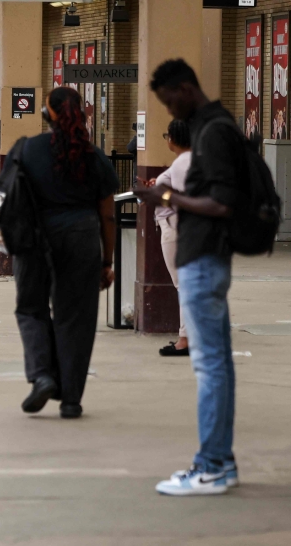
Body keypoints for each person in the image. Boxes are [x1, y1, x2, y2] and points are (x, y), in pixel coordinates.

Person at [136, 59, 241, 496]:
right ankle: (221, 461)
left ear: (183, 88)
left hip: (202, 256)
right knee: (216, 361)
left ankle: (212, 465)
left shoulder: (212, 133)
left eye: (168, 101)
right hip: (206, 255)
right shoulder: (215, 127)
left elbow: (221, 204)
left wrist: (162, 194)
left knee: (209, 363)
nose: (169, 112)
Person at [14, 87, 118, 419]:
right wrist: (107, 262)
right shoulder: (94, 156)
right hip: (82, 238)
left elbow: (2, 195)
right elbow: (107, 215)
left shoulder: (29, 149)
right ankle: (71, 399)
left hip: (35, 239)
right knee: (76, 318)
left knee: (31, 308)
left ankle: (43, 375)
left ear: (48, 116)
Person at [152, 120, 192, 357]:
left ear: (174, 138)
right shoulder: (192, 160)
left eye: (167, 135)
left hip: (176, 228)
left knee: (184, 285)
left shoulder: (184, 163)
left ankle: (185, 341)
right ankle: (188, 337)